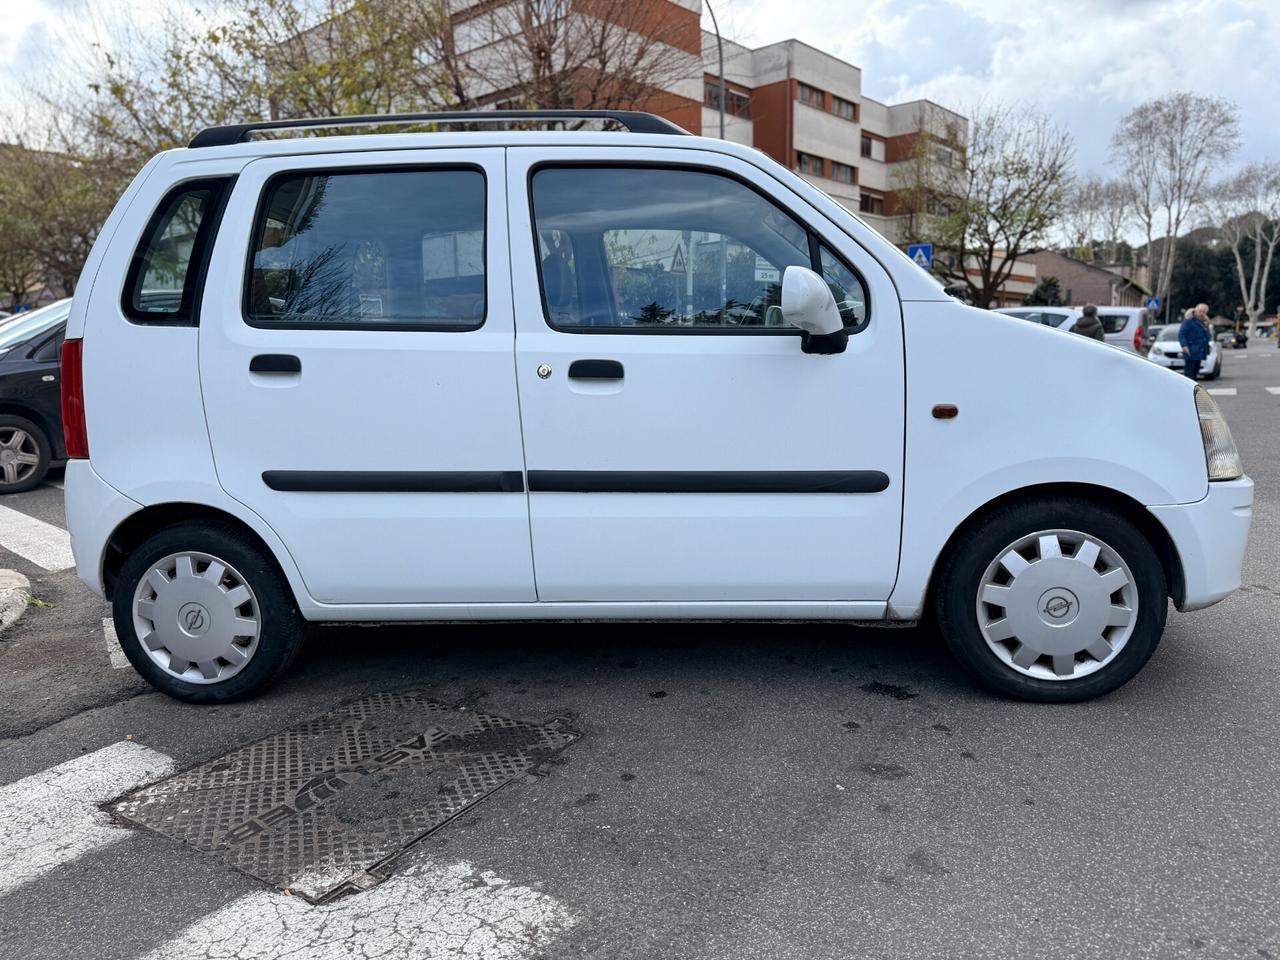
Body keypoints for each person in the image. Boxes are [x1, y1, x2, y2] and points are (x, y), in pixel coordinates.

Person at [1179, 303, 1212, 380]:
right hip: (1190, 351)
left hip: (1199, 351)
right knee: (1189, 374)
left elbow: (1208, 337)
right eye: (1200, 311)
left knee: (1195, 373)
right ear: (1196, 310)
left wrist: (1206, 326)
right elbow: (1182, 334)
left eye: (1204, 312)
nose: (1202, 314)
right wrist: (1184, 345)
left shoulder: (1204, 323)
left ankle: (1192, 389)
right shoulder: (1189, 321)